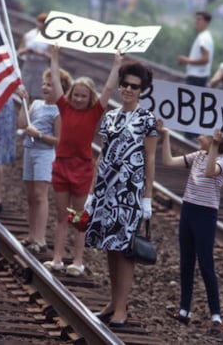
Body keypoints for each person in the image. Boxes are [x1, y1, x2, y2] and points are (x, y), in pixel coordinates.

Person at [86, 60, 157, 328]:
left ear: (142, 89)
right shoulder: (111, 117)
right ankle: (113, 302)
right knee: (109, 246)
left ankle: (122, 307)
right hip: (106, 190)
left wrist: (147, 197)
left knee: (125, 248)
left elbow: (150, 159)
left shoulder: (147, 120)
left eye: (134, 86)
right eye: (124, 84)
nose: (128, 89)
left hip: (129, 192)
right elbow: (102, 154)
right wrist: (93, 191)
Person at [43, 45, 122, 277]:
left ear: (90, 98)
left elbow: (108, 88)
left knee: (78, 217)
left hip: (82, 168)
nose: (78, 99)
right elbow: (57, 83)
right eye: (75, 95)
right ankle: (57, 258)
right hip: (62, 166)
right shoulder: (64, 107)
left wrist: (117, 64)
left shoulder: (95, 112)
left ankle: (77, 261)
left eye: (83, 96)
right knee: (61, 215)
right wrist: (55, 57)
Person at [159, 124, 223, 332]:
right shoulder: (199, 155)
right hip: (189, 210)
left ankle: (216, 316)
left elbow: (210, 173)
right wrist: (165, 136)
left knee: (205, 264)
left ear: (213, 140)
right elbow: (167, 161)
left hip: (206, 214)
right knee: (186, 261)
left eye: (205, 133)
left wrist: (216, 146)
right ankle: (184, 310)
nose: (199, 134)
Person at [17, 67, 68, 253]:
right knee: (31, 196)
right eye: (45, 83)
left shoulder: (58, 112)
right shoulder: (37, 104)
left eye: (51, 85)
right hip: (29, 152)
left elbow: (59, 140)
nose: (46, 87)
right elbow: (22, 124)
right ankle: (32, 235)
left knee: (40, 195)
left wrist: (38, 135)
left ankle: (40, 238)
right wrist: (24, 102)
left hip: (44, 155)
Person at [17, 13, 50, 100]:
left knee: (39, 91)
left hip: (41, 65)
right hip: (29, 64)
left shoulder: (50, 38)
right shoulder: (28, 35)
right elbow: (20, 51)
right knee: (25, 89)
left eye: (44, 22)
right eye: (40, 22)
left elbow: (53, 56)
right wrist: (27, 50)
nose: (41, 24)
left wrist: (42, 53)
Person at [178, 10, 214, 88]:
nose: (196, 22)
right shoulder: (204, 36)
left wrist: (186, 60)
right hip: (198, 75)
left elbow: (205, 59)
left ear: (206, 22)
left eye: (199, 19)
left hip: (197, 75)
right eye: (196, 19)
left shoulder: (204, 38)